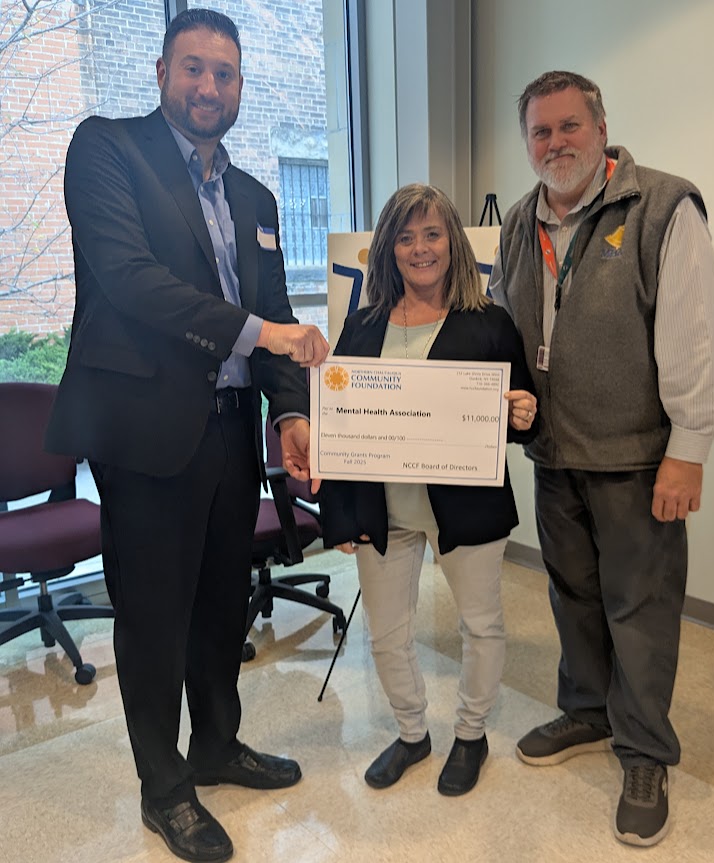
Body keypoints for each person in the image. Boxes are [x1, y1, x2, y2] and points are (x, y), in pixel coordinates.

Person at [45, 10, 329, 863]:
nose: (209, 87)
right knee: (154, 618)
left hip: (230, 434)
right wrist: (262, 333)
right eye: (194, 69)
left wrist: (290, 412)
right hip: (143, 436)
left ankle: (216, 744)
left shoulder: (257, 197)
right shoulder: (106, 150)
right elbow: (132, 283)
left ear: (241, 85)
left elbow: (276, 315)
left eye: (226, 74)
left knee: (217, 605)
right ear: (162, 71)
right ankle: (163, 788)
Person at [489, 70, 714, 847]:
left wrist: (687, 450)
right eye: (540, 132)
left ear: (601, 127)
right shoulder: (521, 220)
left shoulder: (663, 206)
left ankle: (646, 752)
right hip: (554, 453)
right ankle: (587, 709)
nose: (555, 143)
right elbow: (499, 326)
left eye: (569, 126)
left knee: (640, 609)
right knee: (574, 596)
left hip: (636, 456)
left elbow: (696, 334)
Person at [319, 183, 538, 797]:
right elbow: (341, 421)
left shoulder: (489, 323)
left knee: (482, 626)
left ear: (454, 244)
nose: (420, 248)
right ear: (388, 250)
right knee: (385, 633)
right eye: (406, 237)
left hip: (465, 506)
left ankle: (471, 734)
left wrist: (523, 411)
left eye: (433, 234)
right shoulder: (360, 326)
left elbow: (525, 412)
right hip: (382, 509)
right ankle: (413, 733)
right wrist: (339, 516)